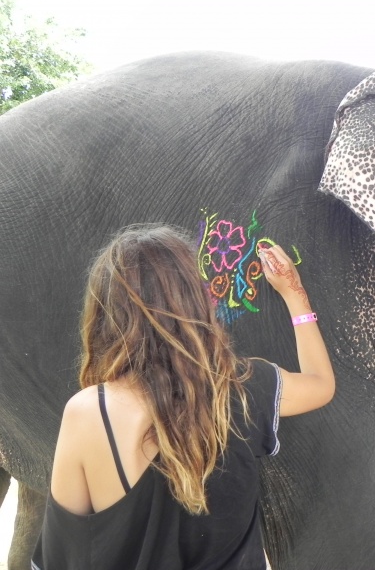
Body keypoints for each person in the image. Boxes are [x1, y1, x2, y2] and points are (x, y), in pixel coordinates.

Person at [31, 225, 335, 569]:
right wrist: (295, 294)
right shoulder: (246, 387)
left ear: (105, 313)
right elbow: (321, 383)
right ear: (195, 299)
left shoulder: (88, 414)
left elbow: (55, 561)